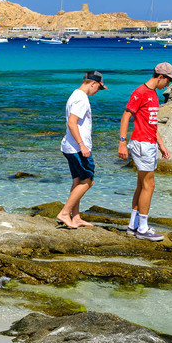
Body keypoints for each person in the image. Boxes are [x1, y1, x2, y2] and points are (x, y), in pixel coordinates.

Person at [118, 61, 172, 239]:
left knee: (142, 185)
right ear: (160, 77)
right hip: (142, 143)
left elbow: (151, 123)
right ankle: (143, 229)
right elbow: (126, 115)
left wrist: (161, 144)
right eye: (168, 81)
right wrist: (122, 142)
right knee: (149, 185)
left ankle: (133, 225)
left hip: (149, 142)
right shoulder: (141, 92)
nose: (169, 84)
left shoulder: (153, 94)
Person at [58, 69, 106, 228]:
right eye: (99, 88)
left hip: (69, 146)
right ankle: (65, 213)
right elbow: (72, 123)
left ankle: (76, 217)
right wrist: (82, 145)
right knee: (88, 180)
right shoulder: (81, 99)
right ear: (93, 83)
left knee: (78, 180)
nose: (98, 91)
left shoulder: (75, 94)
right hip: (77, 148)